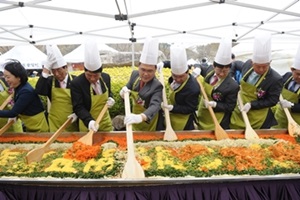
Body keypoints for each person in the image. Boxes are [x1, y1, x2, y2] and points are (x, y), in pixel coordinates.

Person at [230, 33, 283, 129]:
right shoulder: (247, 65)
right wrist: (231, 77)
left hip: (259, 117)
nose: (261, 69)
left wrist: (252, 104)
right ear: (252, 62)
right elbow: (234, 64)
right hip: (240, 109)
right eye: (258, 66)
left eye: (265, 66)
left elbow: (272, 100)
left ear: (270, 63)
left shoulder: (275, 79)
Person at [70, 40, 115, 132]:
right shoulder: (77, 83)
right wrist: (89, 121)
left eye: (96, 75)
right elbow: (78, 106)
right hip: (88, 125)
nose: (93, 79)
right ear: (84, 71)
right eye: (89, 75)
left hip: (105, 122)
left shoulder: (106, 78)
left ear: (101, 72)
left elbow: (109, 93)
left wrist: (111, 98)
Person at [120, 37, 164, 131]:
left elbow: (155, 105)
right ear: (138, 66)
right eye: (143, 69)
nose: (145, 74)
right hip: (133, 121)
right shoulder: (135, 75)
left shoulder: (157, 85)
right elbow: (127, 88)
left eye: (150, 71)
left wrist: (141, 117)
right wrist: (122, 93)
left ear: (155, 70)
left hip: (149, 124)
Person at [197, 38, 239, 130]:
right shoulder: (209, 72)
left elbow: (230, 106)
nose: (222, 74)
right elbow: (201, 67)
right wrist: (197, 69)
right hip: (203, 114)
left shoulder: (233, 86)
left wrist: (215, 104)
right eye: (219, 70)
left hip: (219, 119)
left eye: (225, 71)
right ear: (213, 66)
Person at [35, 44, 78, 132]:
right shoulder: (50, 81)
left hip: (72, 120)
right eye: (53, 71)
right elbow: (39, 90)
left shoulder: (76, 81)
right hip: (54, 122)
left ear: (65, 67)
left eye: (59, 70)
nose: (57, 74)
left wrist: (77, 114)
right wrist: (46, 69)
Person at [0, 59, 49, 132]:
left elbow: (13, 112)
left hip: (39, 128)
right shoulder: (18, 87)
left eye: (8, 77)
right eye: (5, 77)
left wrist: (14, 115)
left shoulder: (26, 91)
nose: (6, 80)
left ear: (18, 77)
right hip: (30, 126)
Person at [162, 44, 200, 131]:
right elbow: (170, 63)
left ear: (187, 72)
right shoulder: (175, 76)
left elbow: (191, 108)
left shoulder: (193, 88)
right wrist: (163, 63)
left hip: (184, 120)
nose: (178, 79)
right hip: (170, 116)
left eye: (181, 76)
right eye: (175, 76)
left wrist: (173, 108)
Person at [273, 44, 300, 128]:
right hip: (280, 119)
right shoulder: (286, 77)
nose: (299, 77)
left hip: (297, 123)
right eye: (298, 74)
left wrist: (291, 105)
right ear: (292, 70)